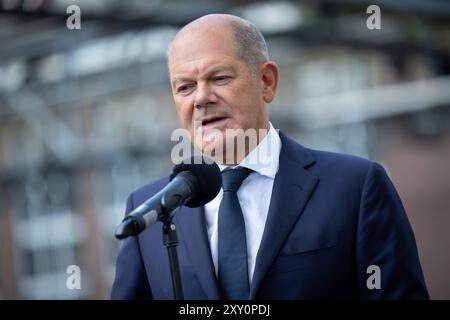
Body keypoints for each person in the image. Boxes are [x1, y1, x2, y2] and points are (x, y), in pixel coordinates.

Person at [111, 14, 429, 300]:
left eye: (219, 78)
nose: (201, 98)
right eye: (185, 87)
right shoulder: (151, 210)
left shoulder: (355, 187)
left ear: (266, 81)